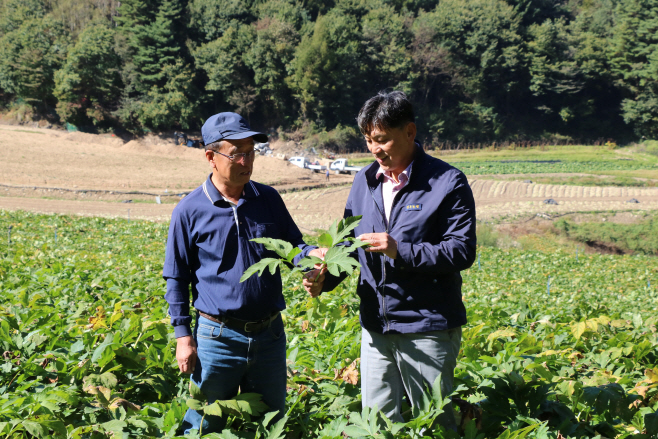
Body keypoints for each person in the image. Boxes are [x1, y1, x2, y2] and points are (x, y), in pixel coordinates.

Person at [303, 91, 476, 430]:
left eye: (382, 139)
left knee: (435, 425)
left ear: (409, 132)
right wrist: (326, 278)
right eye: (368, 140)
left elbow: (461, 250)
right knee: (376, 425)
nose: (375, 149)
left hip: (427, 327)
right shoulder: (363, 182)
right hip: (376, 327)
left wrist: (400, 250)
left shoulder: (447, 182)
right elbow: (350, 247)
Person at [163, 112, 324, 434]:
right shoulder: (190, 210)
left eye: (251, 152)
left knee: (270, 423)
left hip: (269, 335)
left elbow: (292, 246)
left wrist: (312, 258)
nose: (246, 161)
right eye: (237, 153)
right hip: (217, 338)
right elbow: (177, 277)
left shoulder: (268, 199)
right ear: (211, 156)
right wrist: (183, 336)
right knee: (205, 425)